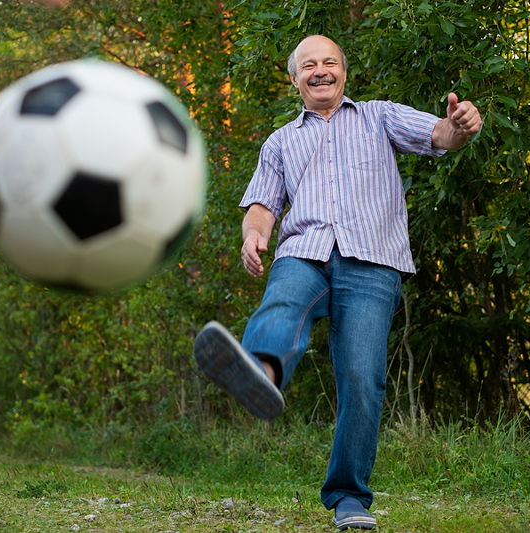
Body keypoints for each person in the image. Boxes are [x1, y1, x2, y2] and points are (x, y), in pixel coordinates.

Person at [194, 34, 482, 531]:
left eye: (329, 62)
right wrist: (253, 237)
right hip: (304, 253)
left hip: (372, 261)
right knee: (284, 299)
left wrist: (461, 127)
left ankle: (349, 498)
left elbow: (438, 136)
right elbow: (262, 206)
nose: (320, 70)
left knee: (361, 379)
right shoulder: (281, 141)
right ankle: (261, 371)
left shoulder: (379, 116)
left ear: (344, 72)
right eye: (309, 65)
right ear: (294, 80)